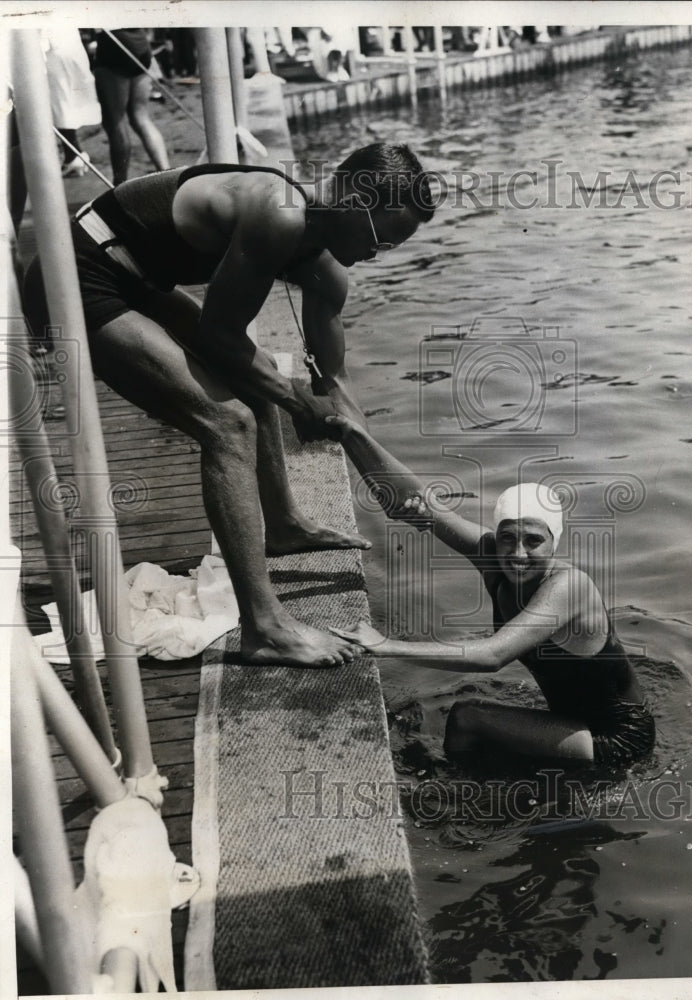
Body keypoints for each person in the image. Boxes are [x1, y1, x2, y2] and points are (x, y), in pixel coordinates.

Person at [22, 143, 435, 668]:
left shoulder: (326, 270)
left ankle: (283, 528)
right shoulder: (278, 213)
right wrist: (296, 403)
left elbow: (335, 381)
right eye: (381, 239)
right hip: (78, 272)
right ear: (354, 199)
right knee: (228, 423)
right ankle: (264, 628)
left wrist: (389, 478)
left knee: (258, 382)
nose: (378, 254)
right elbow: (221, 338)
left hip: (141, 280)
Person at [328, 417, 655, 768]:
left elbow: (492, 656)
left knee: (468, 719)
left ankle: (460, 801)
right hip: (572, 724)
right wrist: (353, 436)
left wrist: (384, 646)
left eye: (534, 541)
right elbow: (420, 503)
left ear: (554, 542)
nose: (517, 554)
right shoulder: (492, 554)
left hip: (617, 737)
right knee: (475, 723)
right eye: (507, 538)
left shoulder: (569, 588)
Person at [92, 28, 170, 184]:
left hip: (114, 43)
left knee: (116, 122)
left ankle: (119, 186)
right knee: (140, 117)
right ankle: (168, 177)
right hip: (140, 42)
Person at [42, 28, 101, 177]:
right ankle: (73, 155)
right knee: (65, 107)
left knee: (61, 107)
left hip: (55, 54)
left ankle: (73, 155)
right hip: (70, 49)